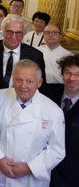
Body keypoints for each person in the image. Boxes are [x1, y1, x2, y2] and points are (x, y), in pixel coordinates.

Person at [0, 60, 65, 187]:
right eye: (18, 80)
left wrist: (29, 168)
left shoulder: (53, 111)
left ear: (39, 83)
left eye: (29, 81)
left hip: (31, 180)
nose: (23, 86)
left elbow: (57, 150)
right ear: (13, 79)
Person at [0, 15, 46, 91]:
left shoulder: (35, 56)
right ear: (3, 32)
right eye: (9, 32)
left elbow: (40, 86)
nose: (13, 37)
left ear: (24, 34)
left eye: (18, 33)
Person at [44, 55, 79, 187]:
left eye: (77, 74)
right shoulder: (48, 94)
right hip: (44, 168)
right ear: (62, 74)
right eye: (68, 73)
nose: (72, 78)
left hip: (73, 174)